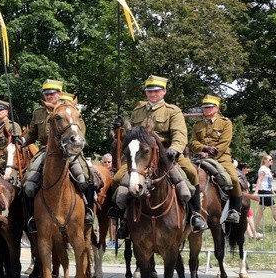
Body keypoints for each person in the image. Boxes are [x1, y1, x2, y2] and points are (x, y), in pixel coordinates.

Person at [112, 75, 208, 235]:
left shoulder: (172, 111)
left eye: (156, 91)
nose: (152, 94)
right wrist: (119, 129)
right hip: (142, 156)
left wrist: (175, 148)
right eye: (149, 91)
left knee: (191, 173)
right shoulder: (138, 110)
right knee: (117, 178)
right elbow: (131, 135)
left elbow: (179, 133)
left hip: (167, 154)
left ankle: (195, 214)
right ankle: (122, 218)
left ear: (163, 91)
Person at [20, 79, 94, 232]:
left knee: (84, 177)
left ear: (59, 93)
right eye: (46, 94)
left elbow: (81, 131)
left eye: (52, 93)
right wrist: (21, 140)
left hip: (70, 150)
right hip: (46, 152)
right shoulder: (39, 112)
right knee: (28, 184)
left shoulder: (70, 109)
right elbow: (32, 134)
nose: (49, 96)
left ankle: (87, 212)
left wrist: (74, 144)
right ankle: (33, 218)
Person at [189, 94, 242, 223]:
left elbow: (225, 142)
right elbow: (192, 143)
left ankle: (235, 210)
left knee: (234, 179)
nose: (206, 109)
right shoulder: (198, 125)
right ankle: (191, 210)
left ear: (217, 108)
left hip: (221, 157)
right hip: (200, 157)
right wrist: (203, 149)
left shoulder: (225, 122)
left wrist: (211, 153)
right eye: (205, 107)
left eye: (210, 107)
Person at [253, 154, 276, 232]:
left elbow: (268, 182)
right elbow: (259, 180)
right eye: (270, 160)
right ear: (264, 160)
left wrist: (272, 191)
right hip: (263, 191)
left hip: (267, 190)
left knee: (260, 210)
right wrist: (256, 192)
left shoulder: (267, 169)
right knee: (274, 208)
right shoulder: (263, 169)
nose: (271, 161)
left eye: (272, 159)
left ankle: (254, 227)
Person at [237, 162, 262, 239]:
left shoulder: (243, 176)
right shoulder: (238, 177)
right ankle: (253, 234)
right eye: (247, 168)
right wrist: (252, 197)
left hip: (245, 200)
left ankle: (252, 234)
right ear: (243, 168)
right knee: (247, 217)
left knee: (248, 217)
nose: (248, 169)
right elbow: (241, 192)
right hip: (242, 200)